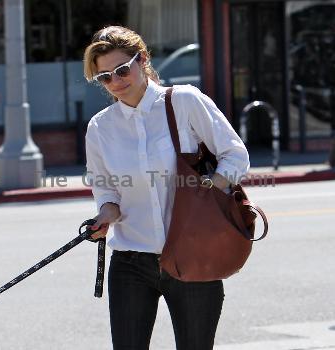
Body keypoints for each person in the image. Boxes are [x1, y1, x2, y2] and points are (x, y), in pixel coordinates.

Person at [83, 25, 250, 350]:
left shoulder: (184, 101)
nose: (115, 81)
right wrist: (104, 217)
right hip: (131, 261)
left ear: (142, 59)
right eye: (105, 77)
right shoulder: (101, 128)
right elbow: (107, 193)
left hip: (193, 254)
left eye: (121, 69)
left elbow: (235, 155)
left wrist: (206, 193)